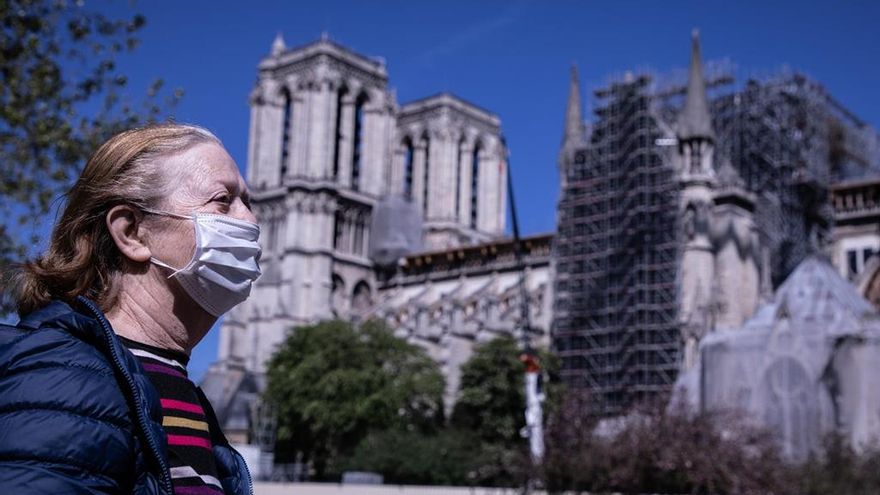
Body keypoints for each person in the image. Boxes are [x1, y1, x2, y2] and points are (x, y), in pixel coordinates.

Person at [0, 123, 261, 494]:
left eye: (248, 204)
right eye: (223, 200)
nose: (250, 221)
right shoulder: (64, 380)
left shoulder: (168, 386)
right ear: (132, 233)